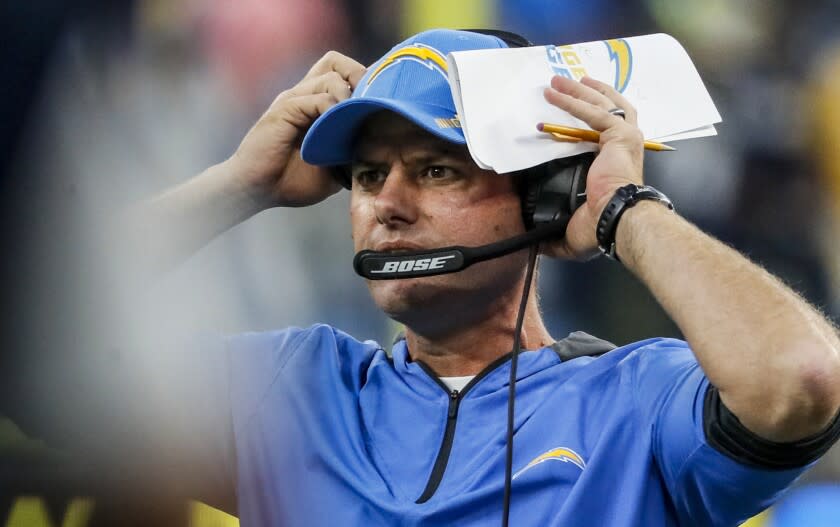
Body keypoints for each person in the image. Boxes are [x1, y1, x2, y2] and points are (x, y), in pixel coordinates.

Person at [129, 29, 840, 526]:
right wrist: (239, 183)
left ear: (545, 194)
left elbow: (802, 375)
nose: (388, 206)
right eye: (369, 175)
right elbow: (39, 349)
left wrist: (623, 208)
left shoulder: (638, 403)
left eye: (438, 170)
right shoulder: (290, 386)